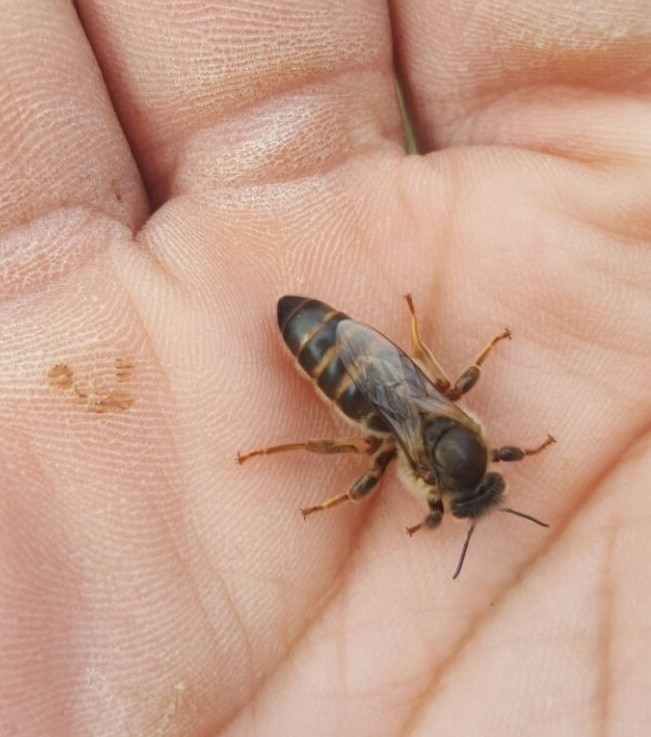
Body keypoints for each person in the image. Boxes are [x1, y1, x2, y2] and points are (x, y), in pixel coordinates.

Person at [1, 1, 649, 735]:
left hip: (369, 355)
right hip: (349, 365)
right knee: (356, 452)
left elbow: (441, 382)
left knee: (402, 401)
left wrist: (412, 336)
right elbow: (418, 479)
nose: (480, 482)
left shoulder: (458, 424)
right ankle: (286, 450)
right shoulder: (436, 480)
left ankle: (316, 419)